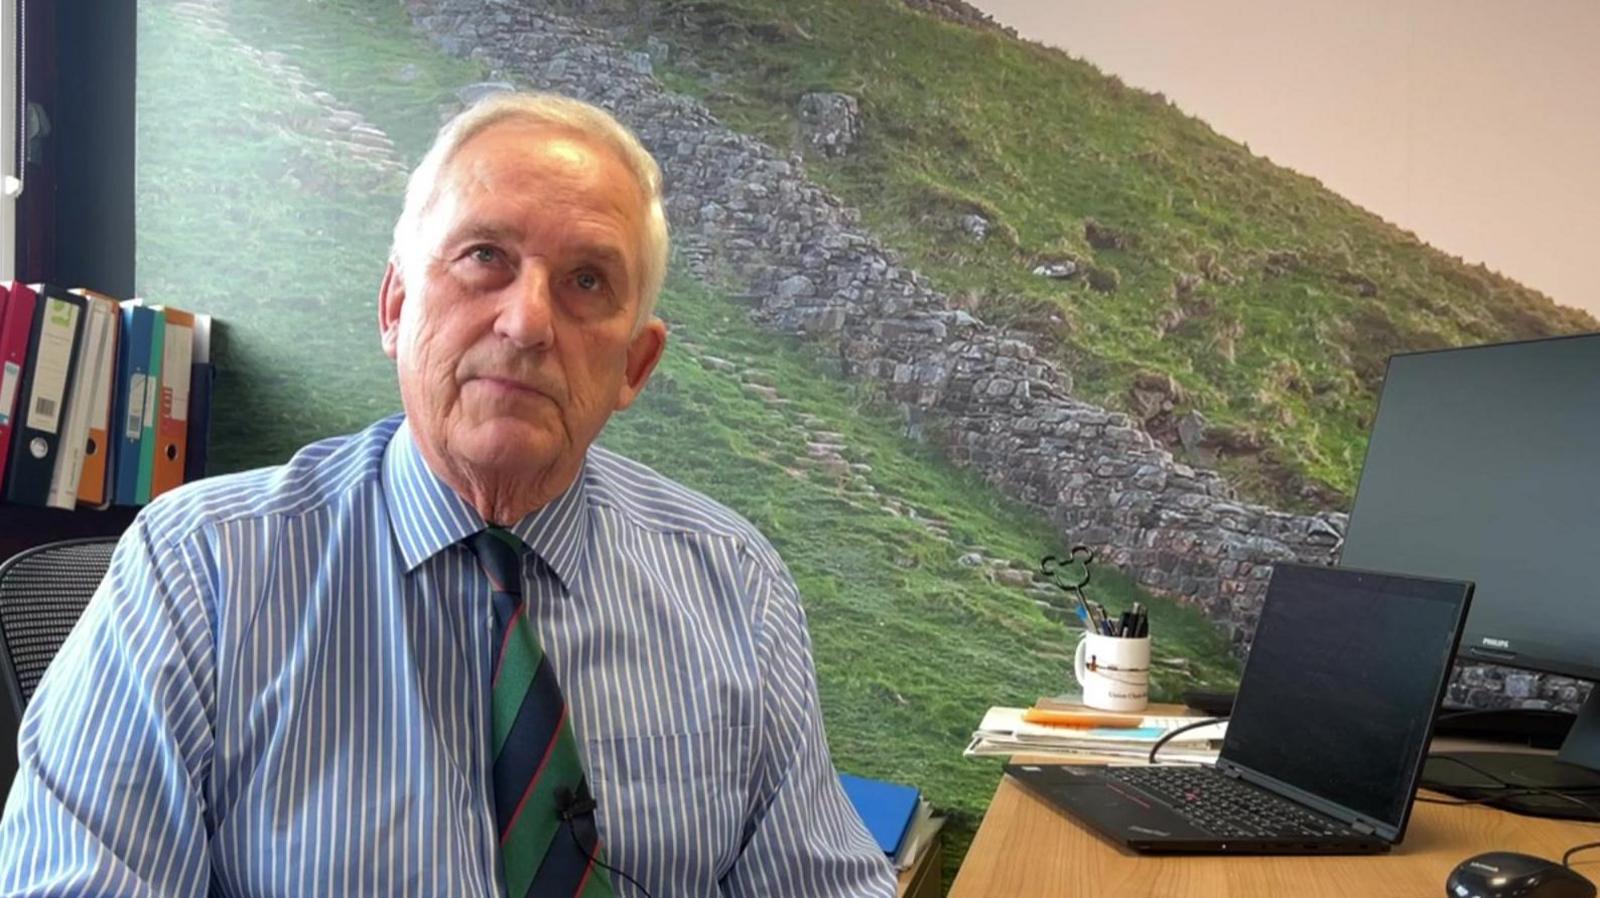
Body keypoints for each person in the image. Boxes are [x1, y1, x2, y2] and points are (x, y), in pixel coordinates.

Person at [0, 92, 895, 898]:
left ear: (636, 364)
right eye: (482, 257)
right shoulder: (197, 568)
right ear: (395, 306)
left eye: (587, 280)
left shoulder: (734, 585)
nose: (527, 321)